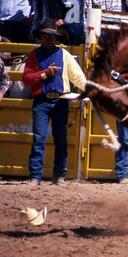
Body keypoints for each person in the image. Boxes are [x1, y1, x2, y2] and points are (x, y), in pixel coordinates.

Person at [23, 21, 86, 187]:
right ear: (41, 37)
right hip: (42, 101)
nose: (50, 39)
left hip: (60, 101)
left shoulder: (64, 55)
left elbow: (77, 76)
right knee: (39, 138)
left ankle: (59, 175)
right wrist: (45, 74)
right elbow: (26, 79)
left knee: (60, 139)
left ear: (56, 38)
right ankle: (36, 176)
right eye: (47, 35)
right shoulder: (34, 55)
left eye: (52, 36)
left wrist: (89, 90)